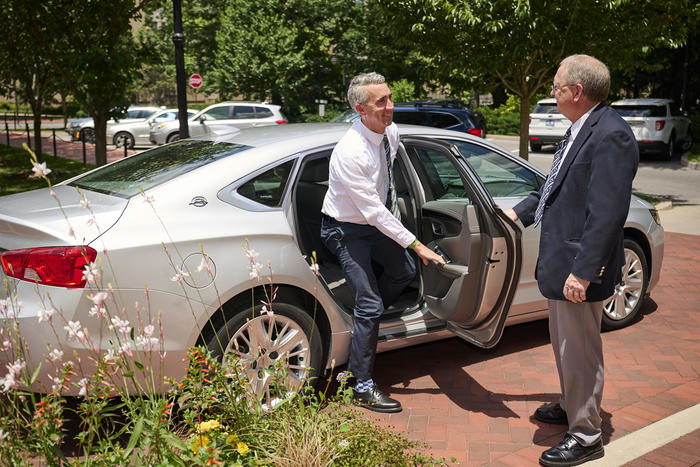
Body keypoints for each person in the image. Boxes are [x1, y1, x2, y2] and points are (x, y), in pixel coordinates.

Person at [505, 54, 638, 466]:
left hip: (579, 267)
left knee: (579, 350)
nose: (552, 93)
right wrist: (521, 211)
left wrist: (583, 271)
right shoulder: (582, 128)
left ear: (577, 92)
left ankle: (585, 434)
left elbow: (607, 213)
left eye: (557, 86)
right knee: (567, 348)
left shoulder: (610, 135)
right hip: (563, 263)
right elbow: (559, 183)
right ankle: (571, 402)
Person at [321, 72, 445, 413]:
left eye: (389, 98)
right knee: (372, 303)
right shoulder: (350, 152)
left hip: (373, 224)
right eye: (381, 102)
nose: (390, 107)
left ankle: (365, 315)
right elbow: (374, 210)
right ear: (361, 109)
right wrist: (417, 244)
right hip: (345, 229)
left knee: (403, 272)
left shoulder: (390, 132)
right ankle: (360, 383)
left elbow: (384, 191)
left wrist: (408, 248)